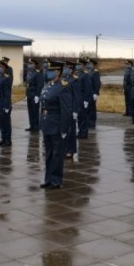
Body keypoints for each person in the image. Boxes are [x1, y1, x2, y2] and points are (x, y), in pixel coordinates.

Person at [40, 60, 73, 189]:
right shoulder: (48, 85)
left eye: (50, 70)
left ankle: (56, 180)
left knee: (57, 154)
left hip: (57, 124)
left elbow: (66, 110)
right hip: (47, 123)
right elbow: (43, 107)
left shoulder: (63, 87)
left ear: (57, 72)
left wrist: (64, 128)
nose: (47, 72)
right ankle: (48, 179)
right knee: (48, 153)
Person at [62, 60, 80, 159]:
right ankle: (64, 149)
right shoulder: (62, 79)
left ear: (71, 70)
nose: (65, 69)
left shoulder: (74, 80)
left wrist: (75, 110)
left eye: (67, 68)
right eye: (64, 67)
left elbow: (77, 96)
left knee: (70, 131)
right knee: (63, 130)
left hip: (70, 108)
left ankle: (70, 150)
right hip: (63, 108)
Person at [0, 56, 13, 146]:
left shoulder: (7, 78)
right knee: (1, 121)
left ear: (4, 68)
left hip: (4, 101)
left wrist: (6, 105)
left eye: (0, 67)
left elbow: (7, 93)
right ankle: (3, 138)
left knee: (6, 122)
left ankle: (8, 139)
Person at [75, 57, 93, 139]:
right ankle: (80, 131)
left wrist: (86, 100)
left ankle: (84, 132)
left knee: (83, 116)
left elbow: (88, 88)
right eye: (77, 64)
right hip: (77, 97)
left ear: (84, 66)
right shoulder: (77, 74)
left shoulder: (86, 75)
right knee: (79, 116)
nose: (78, 66)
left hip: (83, 97)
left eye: (80, 64)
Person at [25, 59, 43, 132]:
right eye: (29, 63)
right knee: (30, 111)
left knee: (35, 111)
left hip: (34, 94)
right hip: (29, 94)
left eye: (31, 63)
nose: (30, 65)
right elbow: (27, 84)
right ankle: (31, 125)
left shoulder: (37, 73)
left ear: (35, 65)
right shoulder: (29, 72)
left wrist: (37, 95)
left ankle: (36, 126)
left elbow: (40, 85)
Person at [85, 58, 101, 128]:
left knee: (92, 108)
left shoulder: (95, 72)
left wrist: (96, 93)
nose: (89, 65)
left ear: (93, 65)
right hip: (87, 93)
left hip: (92, 93)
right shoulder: (87, 72)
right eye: (88, 64)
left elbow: (97, 83)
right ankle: (87, 121)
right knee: (87, 108)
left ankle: (92, 122)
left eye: (90, 64)